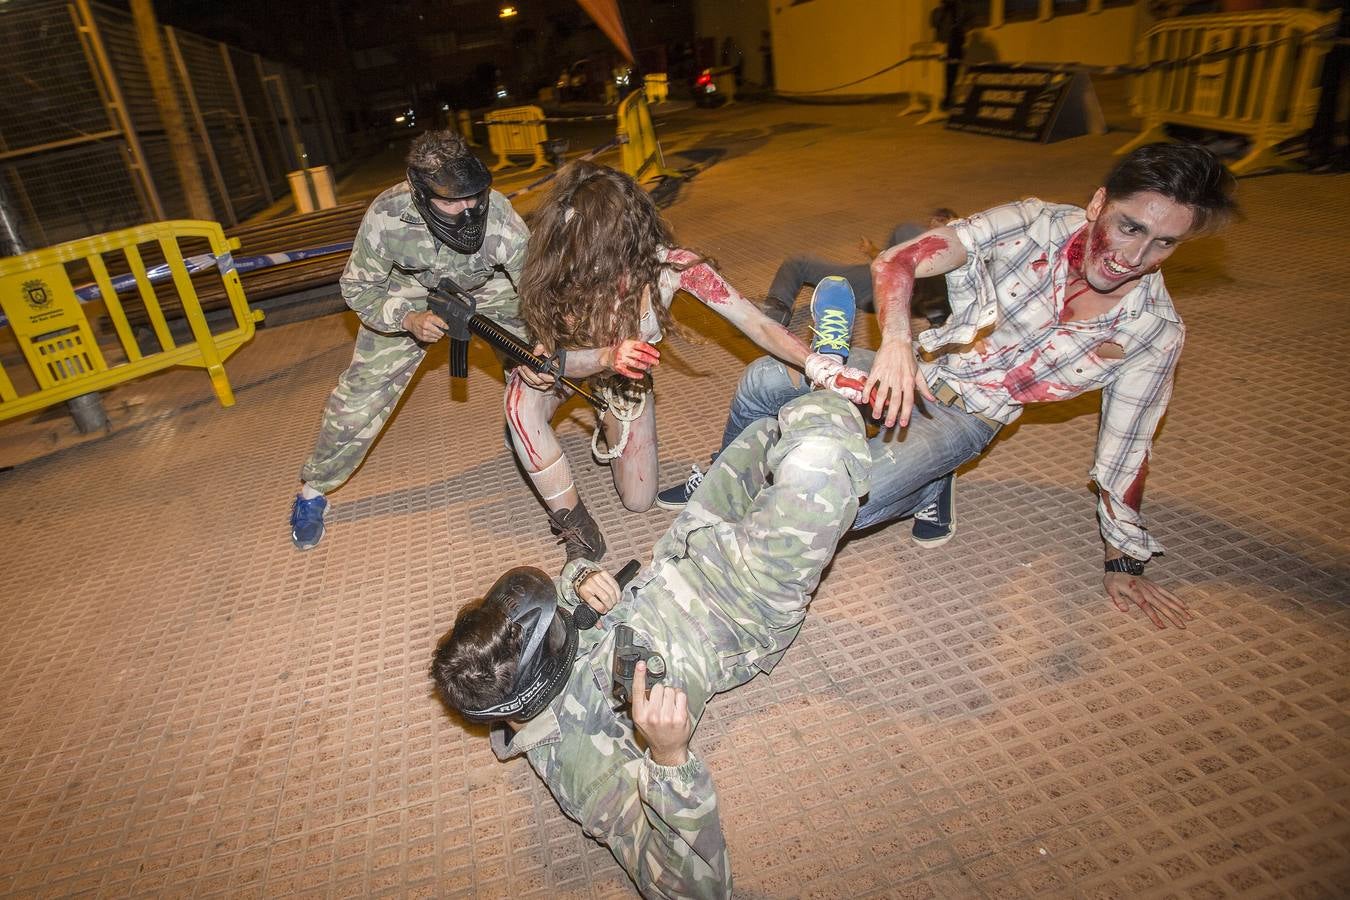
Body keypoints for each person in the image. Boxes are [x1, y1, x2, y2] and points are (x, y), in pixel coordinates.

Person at [660, 143, 1238, 631]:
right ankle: (723, 471)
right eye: (1130, 227)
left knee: (839, 502)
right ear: (1098, 204)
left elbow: (1126, 452)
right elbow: (899, 259)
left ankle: (928, 481)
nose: (1135, 257)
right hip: (916, 368)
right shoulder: (1033, 221)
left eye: (1164, 243)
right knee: (763, 377)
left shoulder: (1153, 333)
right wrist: (897, 343)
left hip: (968, 416)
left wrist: (1124, 560)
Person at [430, 383, 874, 899]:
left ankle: (862, 470)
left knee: (767, 433)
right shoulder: (585, 772)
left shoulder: (513, 659)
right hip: (740, 607)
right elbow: (697, 891)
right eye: (553, 637)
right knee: (822, 453)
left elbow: (557, 592)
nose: (559, 628)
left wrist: (579, 577)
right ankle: (890, 472)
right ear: (535, 687)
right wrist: (669, 758)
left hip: (684, 548)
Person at [504, 160, 824, 562]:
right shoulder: (565, 263)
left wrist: (820, 366)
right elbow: (558, 359)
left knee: (639, 499)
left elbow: (757, 323)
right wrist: (604, 355)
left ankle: (603, 415)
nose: (591, 262)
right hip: (567, 366)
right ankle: (575, 525)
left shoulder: (671, 266)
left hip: (622, 379)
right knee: (520, 405)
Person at [288, 131, 529, 550]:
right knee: (358, 398)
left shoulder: (499, 214)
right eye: (452, 201)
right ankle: (313, 491)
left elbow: (537, 286)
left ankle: (523, 418)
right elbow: (358, 288)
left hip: (486, 288)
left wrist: (542, 338)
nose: (469, 210)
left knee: (537, 356)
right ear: (420, 193)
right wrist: (407, 318)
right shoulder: (387, 215)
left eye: (473, 197)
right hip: (408, 295)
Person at [759, 208, 958, 327]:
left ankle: (937, 310)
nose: (934, 222)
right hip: (878, 280)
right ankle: (775, 314)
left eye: (943, 221)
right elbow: (890, 260)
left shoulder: (961, 252)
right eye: (933, 221)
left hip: (918, 291)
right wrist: (873, 251)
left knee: (908, 231)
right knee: (799, 261)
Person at [930, 0, 969, 110]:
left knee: (954, 74)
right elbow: (935, 24)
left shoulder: (960, 9)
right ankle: (943, 100)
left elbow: (963, 23)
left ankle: (949, 99)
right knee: (941, 75)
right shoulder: (937, 12)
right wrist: (944, 10)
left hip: (956, 45)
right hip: (942, 45)